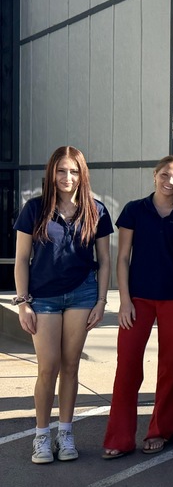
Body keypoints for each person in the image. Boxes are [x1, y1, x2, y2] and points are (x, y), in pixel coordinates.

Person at [15, 146, 112, 464]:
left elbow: (105, 260)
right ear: (51, 173)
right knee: (48, 367)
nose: (66, 177)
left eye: (72, 171)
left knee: (71, 367)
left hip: (82, 295)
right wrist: (22, 303)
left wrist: (100, 301)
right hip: (43, 299)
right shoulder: (34, 209)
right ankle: (42, 436)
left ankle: (66, 434)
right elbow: (21, 260)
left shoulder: (96, 210)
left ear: (81, 174)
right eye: (61, 170)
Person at [102, 156, 173, 459]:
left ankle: (161, 431)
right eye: (165, 175)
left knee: (170, 366)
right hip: (138, 298)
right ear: (155, 175)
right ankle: (119, 437)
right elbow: (122, 258)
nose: (169, 182)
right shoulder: (134, 210)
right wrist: (124, 300)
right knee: (127, 366)